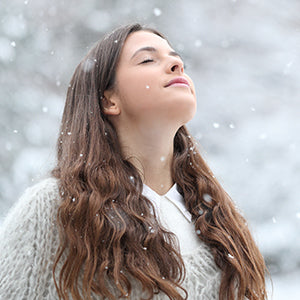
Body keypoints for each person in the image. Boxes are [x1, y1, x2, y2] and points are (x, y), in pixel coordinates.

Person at [0, 23, 268, 300]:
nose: (176, 64)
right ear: (109, 100)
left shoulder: (217, 219)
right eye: (148, 59)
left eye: (177, 58)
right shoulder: (56, 207)